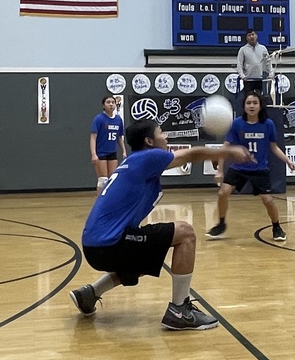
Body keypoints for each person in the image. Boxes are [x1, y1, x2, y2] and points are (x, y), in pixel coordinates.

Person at [69, 118, 252, 330]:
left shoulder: (133, 162)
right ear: (149, 141)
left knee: (149, 253)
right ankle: (179, 310)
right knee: (185, 233)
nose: (165, 136)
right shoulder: (149, 156)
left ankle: (90, 293)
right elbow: (190, 155)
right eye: (161, 132)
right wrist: (227, 152)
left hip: (95, 246)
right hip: (109, 243)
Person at [207, 91, 294, 242]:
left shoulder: (268, 124)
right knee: (223, 193)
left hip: (259, 169)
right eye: (248, 103)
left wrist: (288, 161)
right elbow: (225, 147)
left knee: (267, 200)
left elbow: (274, 148)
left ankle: (277, 227)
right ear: (244, 106)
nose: (252, 106)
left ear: (260, 106)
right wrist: (220, 170)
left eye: (255, 103)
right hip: (239, 168)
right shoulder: (237, 123)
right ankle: (221, 224)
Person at [90, 95, 126, 194]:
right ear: (103, 105)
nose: (111, 104)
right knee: (103, 180)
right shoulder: (99, 119)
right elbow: (93, 137)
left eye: (112, 102)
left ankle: (109, 201)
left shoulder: (118, 120)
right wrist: (93, 154)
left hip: (112, 152)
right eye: (108, 102)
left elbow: (119, 137)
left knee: (112, 179)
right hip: (101, 152)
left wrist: (124, 151)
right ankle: (100, 203)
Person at [236, 28, 271, 97]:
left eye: (253, 34)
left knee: (260, 98)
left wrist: (270, 73)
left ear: (256, 36)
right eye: (249, 35)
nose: (251, 36)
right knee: (248, 97)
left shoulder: (263, 48)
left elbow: (268, 62)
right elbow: (239, 64)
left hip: (260, 79)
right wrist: (242, 76)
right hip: (248, 80)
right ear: (246, 38)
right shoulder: (243, 49)